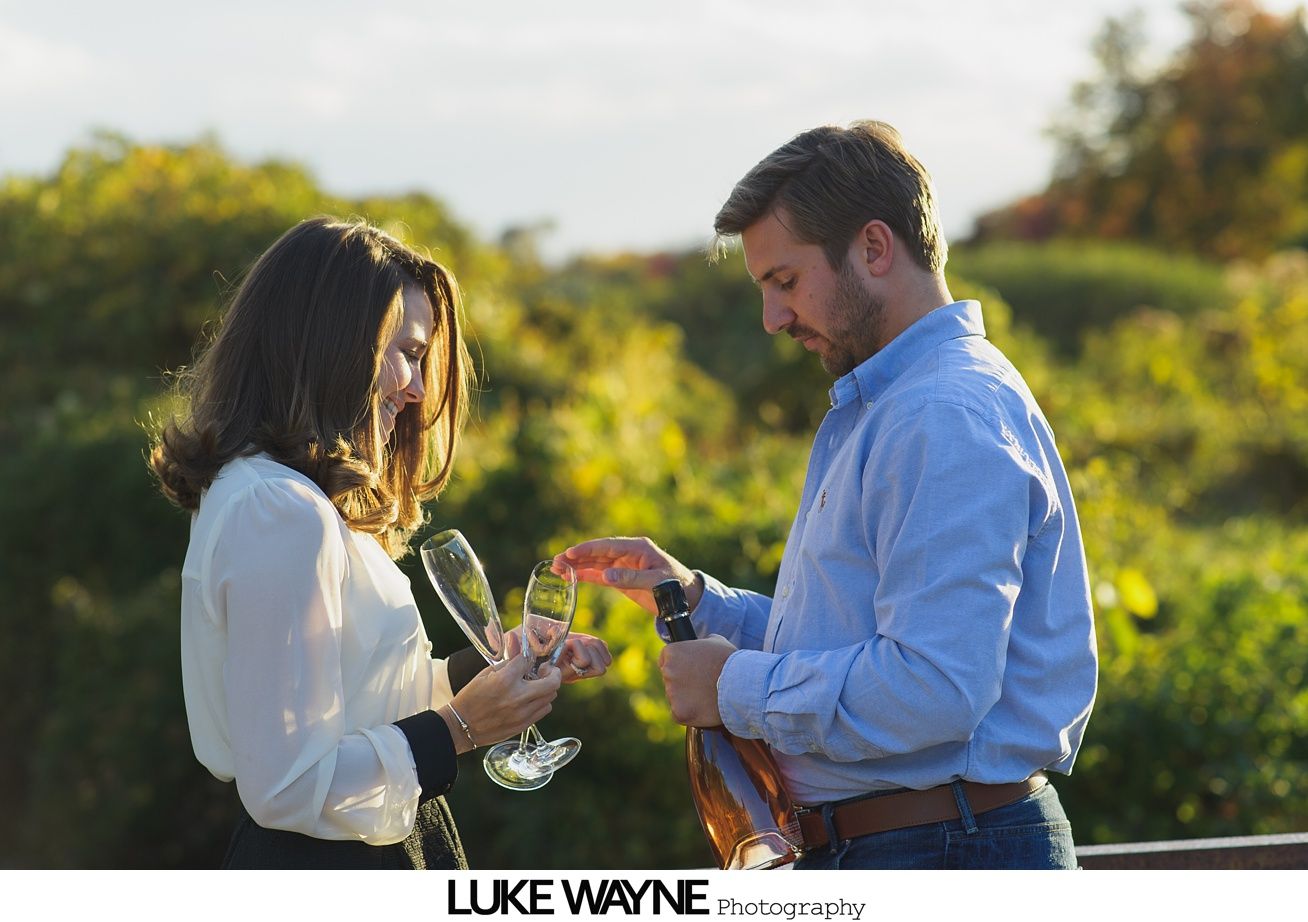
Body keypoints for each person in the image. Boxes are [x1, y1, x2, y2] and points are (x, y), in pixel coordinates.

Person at [558, 121, 1096, 870]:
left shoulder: (940, 415)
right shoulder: (892, 405)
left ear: (874, 248)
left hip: (942, 856)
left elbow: (934, 688)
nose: (774, 319)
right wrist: (696, 601)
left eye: (785, 282)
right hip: (924, 845)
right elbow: (858, 644)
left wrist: (732, 686)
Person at [150, 217, 611, 869]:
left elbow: (357, 705)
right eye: (410, 354)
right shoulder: (279, 511)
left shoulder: (291, 501)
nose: (419, 390)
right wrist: (463, 728)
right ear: (333, 344)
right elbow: (287, 786)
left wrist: (479, 674)